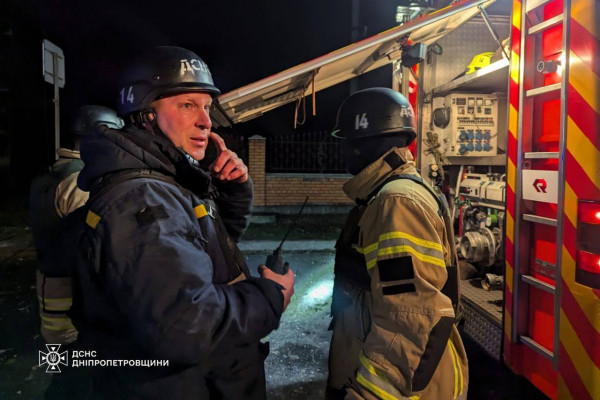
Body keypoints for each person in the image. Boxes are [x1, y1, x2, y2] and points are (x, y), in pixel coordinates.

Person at [71, 46, 295, 399]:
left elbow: (201, 252)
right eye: (187, 105)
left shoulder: (165, 182)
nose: (206, 120)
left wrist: (232, 191)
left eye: (206, 107)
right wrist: (271, 298)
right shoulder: (144, 198)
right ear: (145, 115)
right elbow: (185, 325)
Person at [326, 88, 468, 400]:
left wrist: (371, 394)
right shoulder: (393, 193)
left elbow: (411, 316)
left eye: (346, 142)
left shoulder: (396, 202)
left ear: (362, 144)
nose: (342, 151)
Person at [29, 105, 124, 399]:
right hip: (73, 304)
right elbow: (99, 246)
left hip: (50, 292)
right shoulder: (78, 182)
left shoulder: (49, 175)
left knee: (65, 375)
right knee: (79, 381)